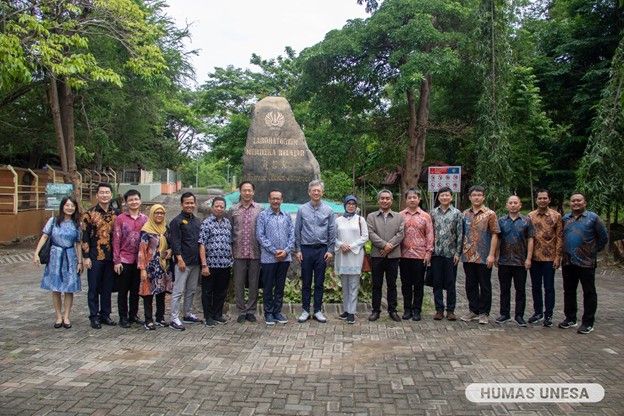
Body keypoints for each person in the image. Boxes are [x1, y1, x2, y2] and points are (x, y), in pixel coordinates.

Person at [559, 193, 608, 334]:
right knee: (568, 291)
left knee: (589, 292)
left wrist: (592, 251)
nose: (576, 203)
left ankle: (588, 322)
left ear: (584, 202)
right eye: (573, 200)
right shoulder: (565, 219)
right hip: (568, 262)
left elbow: (603, 237)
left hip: (586, 262)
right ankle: (570, 318)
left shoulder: (593, 218)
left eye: (579, 200)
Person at [34, 196, 82, 329]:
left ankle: (66, 316)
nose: (70, 208)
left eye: (72, 206)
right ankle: (58, 316)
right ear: (62, 207)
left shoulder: (77, 224)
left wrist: (79, 261)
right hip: (55, 256)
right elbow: (45, 236)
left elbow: (78, 243)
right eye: (67, 205)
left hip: (70, 256)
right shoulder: (53, 220)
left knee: (69, 289)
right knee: (55, 288)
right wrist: (36, 253)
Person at [295, 180, 336, 323]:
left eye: (318, 190)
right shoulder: (302, 210)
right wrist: (298, 250)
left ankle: (317, 310)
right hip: (306, 250)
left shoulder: (329, 211)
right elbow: (297, 231)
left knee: (319, 282)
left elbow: (332, 231)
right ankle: (305, 310)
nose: (316, 192)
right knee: (306, 282)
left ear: (322, 192)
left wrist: (330, 250)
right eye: (314, 190)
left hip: (322, 250)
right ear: (309, 192)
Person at [460, 185, 500, 325]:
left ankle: (484, 312)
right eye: (474, 195)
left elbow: (495, 234)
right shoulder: (464, 214)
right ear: (470, 197)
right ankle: (473, 310)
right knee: (470, 284)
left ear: (483, 197)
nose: (476, 197)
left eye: (479, 195)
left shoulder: (490, 214)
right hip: (468, 255)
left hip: (484, 256)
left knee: (485, 285)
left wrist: (491, 255)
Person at [82, 182, 119, 329]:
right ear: (97, 195)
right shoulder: (89, 214)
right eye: (101, 193)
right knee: (94, 287)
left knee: (107, 287)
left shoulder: (117, 214)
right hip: (95, 256)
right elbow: (84, 236)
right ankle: (94, 316)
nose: (104, 195)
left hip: (111, 257)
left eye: (107, 192)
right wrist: (85, 257)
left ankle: (105, 315)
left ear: (111, 195)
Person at [256, 190, 295, 325]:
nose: (275, 201)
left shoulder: (287, 215)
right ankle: (268, 313)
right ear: (269, 199)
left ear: (282, 200)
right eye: (273, 198)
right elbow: (260, 236)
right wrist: (274, 251)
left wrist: (285, 251)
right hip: (268, 258)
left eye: (278, 198)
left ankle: (277, 312)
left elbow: (292, 235)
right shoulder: (263, 216)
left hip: (285, 257)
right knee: (268, 286)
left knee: (280, 286)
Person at [495, 195, 534, 327]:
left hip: (520, 261)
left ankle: (519, 315)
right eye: (510, 203)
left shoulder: (526, 221)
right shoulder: (501, 221)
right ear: (507, 205)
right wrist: (496, 255)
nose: (513, 205)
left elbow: (530, 240)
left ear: (520, 205)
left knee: (520, 290)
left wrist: (528, 258)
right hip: (504, 261)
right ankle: (504, 314)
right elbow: (498, 239)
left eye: (515, 203)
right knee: (504, 289)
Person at [367, 189, 405, 322]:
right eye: (382, 198)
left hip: (393, 256)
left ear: (391, 201)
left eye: (387, 198)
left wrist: (389, 247)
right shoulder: (371, 216)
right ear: (378, 200)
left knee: (392, 284)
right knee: (376, 284)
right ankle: (375, 310)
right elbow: (370, 233)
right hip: (377, 255)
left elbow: (400, 234)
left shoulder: (399, 216)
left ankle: (392, 310)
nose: (385, 200)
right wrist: (384, 245)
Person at [527, 189, 562, 327]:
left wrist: (558, 256)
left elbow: (559, 237)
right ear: (536, 200)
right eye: (540, 198)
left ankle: (549, 314)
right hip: (534, 257)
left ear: (549, 199)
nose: (542, 200)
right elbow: (528, 237)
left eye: (545, 198)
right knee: (535, 286)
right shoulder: (530, 216)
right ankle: (538, 312)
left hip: (549, 258)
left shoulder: (556, 216)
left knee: (549, 287)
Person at [112, 189, 147, 328]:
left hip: (139, 260)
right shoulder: (120, 218)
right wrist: (117, 260)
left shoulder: (145, 219)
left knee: (135, 290)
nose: (134, 202)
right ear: (126, 202)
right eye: (130, 200)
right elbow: (116, 239)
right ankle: (123, 317)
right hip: (124, 259)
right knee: (123, 291)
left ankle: (133, 315)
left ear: (140, 201)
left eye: (136, 199)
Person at [229, 181, 263, 324]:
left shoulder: (260, 209)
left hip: (255, 252)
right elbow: (230, 230)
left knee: (254, 283)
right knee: (239, 283)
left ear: (253, 192)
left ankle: (251, 311)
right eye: (244, 190)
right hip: (238, 252)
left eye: (249, 190)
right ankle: (241, 311)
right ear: (240, 192)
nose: (247, 193)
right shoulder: (233, 209)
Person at [169, 192, 203, 330]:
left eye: (191, 203)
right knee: (178, 291)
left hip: (195, 262)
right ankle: (174, 318)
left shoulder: (197, 221)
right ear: (182, 204)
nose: (190, 205)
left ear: (195, 204)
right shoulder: (176, 221)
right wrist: (179, 259)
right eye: (186, 203)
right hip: (183, 262)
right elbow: (175, 242)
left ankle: (187, 314)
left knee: (191, 290)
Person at [399, 188, 433, 322]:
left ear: (419, 199)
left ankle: (417, 310)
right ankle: (407, 309)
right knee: (405, 284)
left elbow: (430, 235)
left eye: (415, 197)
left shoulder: (426, 216)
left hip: (420, 255)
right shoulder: (400, 215)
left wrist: (428, 252)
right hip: (403, 255)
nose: (412, 199)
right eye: (409, 197)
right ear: (406, 199)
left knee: (418, 285)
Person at [137, 204, 173, 330]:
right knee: (148, 294)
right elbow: (142, 251)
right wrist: (142, 269)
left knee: (161, 293)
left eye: (161, 213)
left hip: (163, 266)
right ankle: (148, 320)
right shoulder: (146, 230)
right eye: (157, 213)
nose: (159, 215)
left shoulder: (165, 229)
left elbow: (170, 244)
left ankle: (160, 318)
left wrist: (170, 251)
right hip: (150, 267)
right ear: (152, 214)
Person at [199, 197, 233, 327]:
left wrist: (231, 259)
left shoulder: (227, 223)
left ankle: (217, 314)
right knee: (208, 291)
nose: (219, 208)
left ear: (224, 208)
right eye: (217, 206)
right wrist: (204, 265)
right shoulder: (206, 223)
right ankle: (208, 317)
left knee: (221, 291)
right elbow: (202, 244)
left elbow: (229, 243)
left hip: (224, 264)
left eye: (222, 206)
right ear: (212, 207)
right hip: (210, 264)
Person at [334, 195, 368, 324]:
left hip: (355, 254)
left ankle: (352, 312)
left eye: (353, 203)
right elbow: (333, 237)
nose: (351, 205)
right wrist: (341, 244)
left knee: (354, 284)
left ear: (356, 206)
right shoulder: (338, 220)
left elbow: (365, 237)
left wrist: (351, 246)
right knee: (345, 284)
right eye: (348, 203)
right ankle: (346, 310)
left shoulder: (360, 219)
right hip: (342, 255)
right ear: (345, 205)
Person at [430, 187, 463, 321]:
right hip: (436, 253)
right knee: (436, 282)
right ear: (438, 198)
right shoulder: (433, 213)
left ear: (451, 197)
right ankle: (439, 310)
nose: (444, 197)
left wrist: (457, 253)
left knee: (450, 283)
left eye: (447, 195)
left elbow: (460, 234)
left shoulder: (457, 213)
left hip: (450, 254)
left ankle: (450, 310)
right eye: (442, 195)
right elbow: (430, 232)